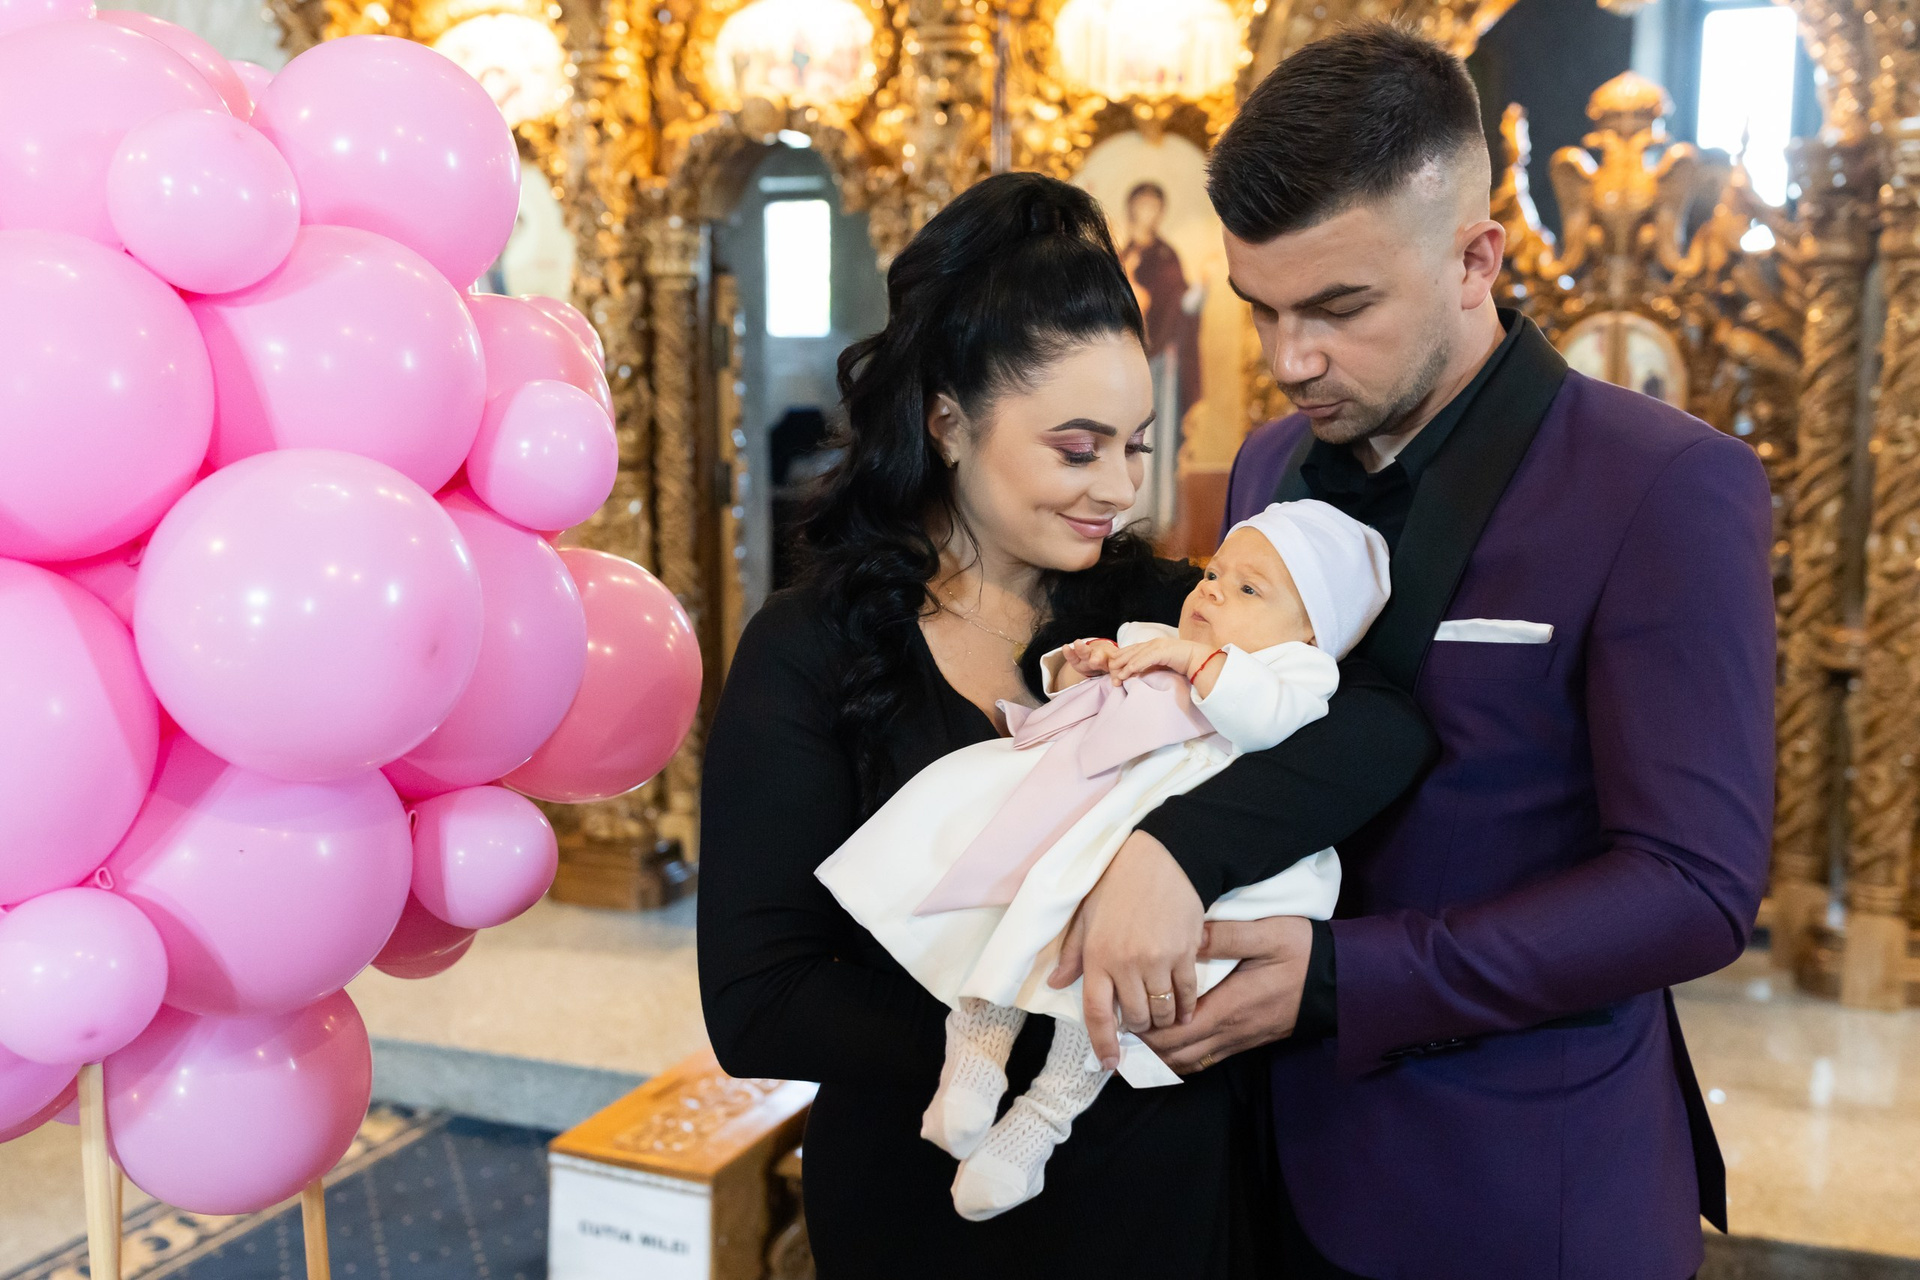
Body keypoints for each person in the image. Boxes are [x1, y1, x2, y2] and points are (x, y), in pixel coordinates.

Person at [1062, 24, 1773, 1279]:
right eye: (1262, 309)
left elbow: (1691, 886)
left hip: (1517, 1188)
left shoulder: (1665, 484)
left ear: (1474, 258)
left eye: (1339, 308)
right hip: (1265, 1152)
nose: (1290, 361)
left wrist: (1349, 977)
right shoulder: (1271, 464)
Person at [698, 171, 1432, 1278]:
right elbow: (761, 1000)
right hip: (926, 1207)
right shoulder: (814, 648)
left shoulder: (1165, 610)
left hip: (1165, 1194)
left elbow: (1377, 723)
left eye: (1138, 445)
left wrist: (1169, 856)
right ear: (949, 422)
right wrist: (1062, 1003)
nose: (1119, 488)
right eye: (1078, 448)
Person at [814, 501, 1389, 1222]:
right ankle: (976, 1053)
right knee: (1014, 911)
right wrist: (1081, 664)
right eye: (1214, 574)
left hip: (1168, 848)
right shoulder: (1162, 635)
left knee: (1103, 987)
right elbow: (1091, 689)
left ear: (1311, 630)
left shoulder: (1297, 673)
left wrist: (1198, 664)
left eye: (1248, 589)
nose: (1212, 593)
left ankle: (1041, 1120)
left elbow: (1268, 718)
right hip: (1094, 811)